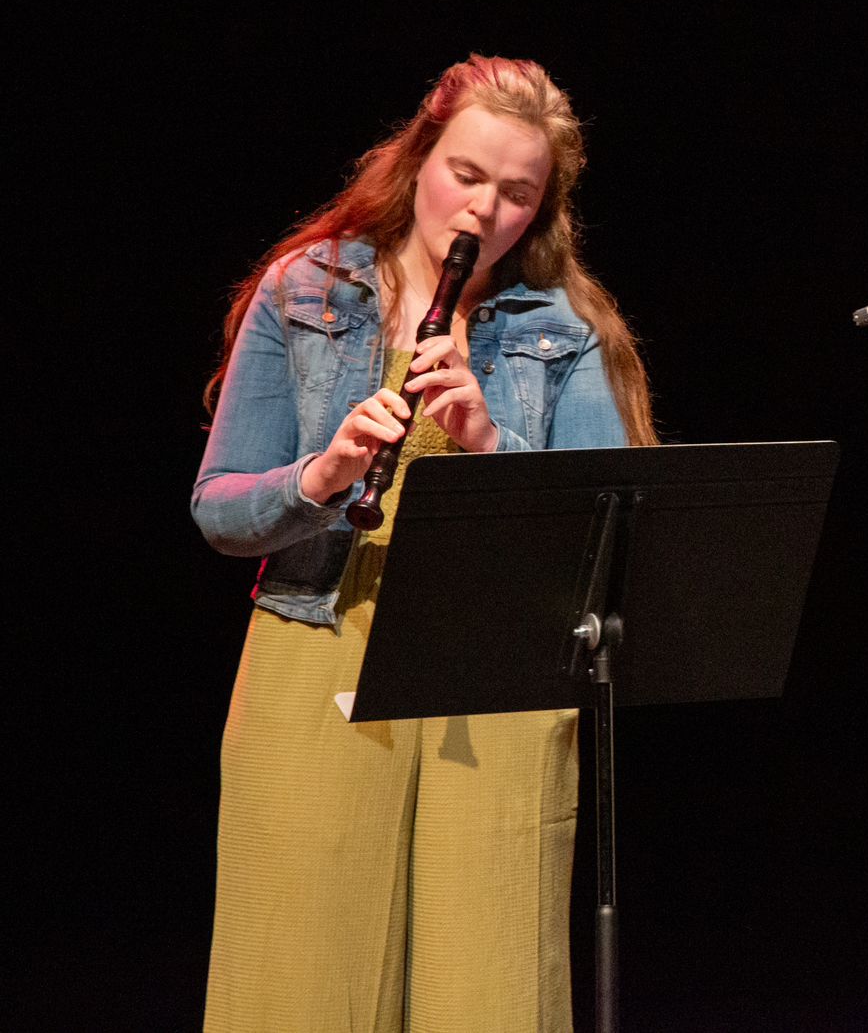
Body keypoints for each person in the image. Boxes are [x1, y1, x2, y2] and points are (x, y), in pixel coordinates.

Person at [193, 55, 657, 1032]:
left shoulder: (563, 330)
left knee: (484, 984)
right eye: (466, 174)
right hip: (321, 642)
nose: (484, 209)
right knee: (300, 972)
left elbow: (609, 528)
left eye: (517, 192)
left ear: (543, 208)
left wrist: (489, 442)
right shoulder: (307, 290)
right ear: (419, 160)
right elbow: (220, 509)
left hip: (493, 669)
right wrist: (321, 475)